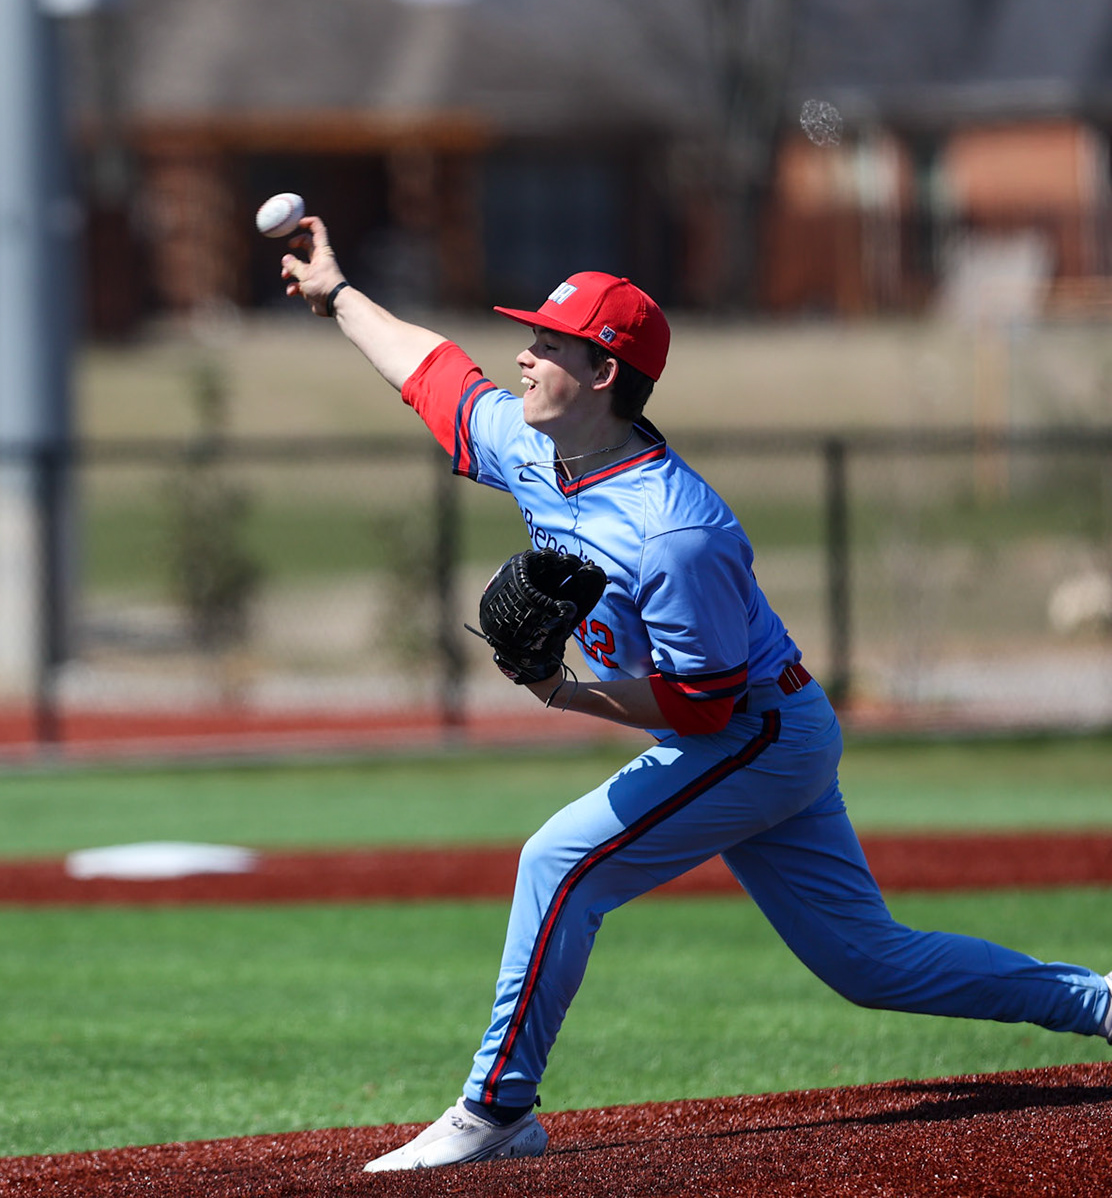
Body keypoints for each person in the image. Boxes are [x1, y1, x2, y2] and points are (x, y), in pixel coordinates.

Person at [277, 217, 1112, 1173]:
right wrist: (337, 292)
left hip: (756, 734)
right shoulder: (531, 443)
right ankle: (1103, 1002)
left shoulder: (677, 532)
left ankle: (497, 1110)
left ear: (601, 375)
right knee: (869, 964)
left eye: (548, 344)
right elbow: (431, 370)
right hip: (761, 731)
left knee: (558, 864)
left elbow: (705, 711)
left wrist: (565, 694)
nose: (525, 353)